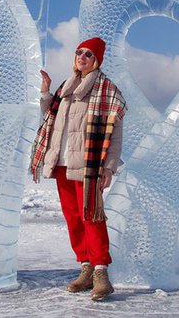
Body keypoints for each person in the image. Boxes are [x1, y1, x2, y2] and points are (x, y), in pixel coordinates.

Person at [30, 37, 126, 301]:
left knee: (91, 216)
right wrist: (46, 91)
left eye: (88, 54)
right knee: (73, 218)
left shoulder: (106, 90)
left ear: (96, 60)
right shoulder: (66, 87)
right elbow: (51, 114)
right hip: (61, 163)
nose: (81, 57)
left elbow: (115, 134)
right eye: (78, 52)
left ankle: (101, 274)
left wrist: (108, 167)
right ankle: (85, 268)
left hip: (88, 165)